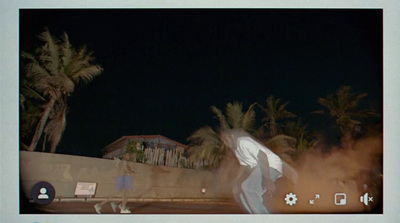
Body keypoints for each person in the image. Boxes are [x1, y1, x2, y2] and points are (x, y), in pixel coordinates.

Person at [221, 129, 298, 214]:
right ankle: (256, 216)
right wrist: (236, 183)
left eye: (226, 139)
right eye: (223, 141)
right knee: (242, 194)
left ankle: (263, 218)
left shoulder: (243, 142)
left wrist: (267, 179)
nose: (225, 143)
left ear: (232, 137)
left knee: (249, 188)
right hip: (261, 167)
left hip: (270, 164)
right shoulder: (237, 150)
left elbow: (262, 156)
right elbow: (244, 166)